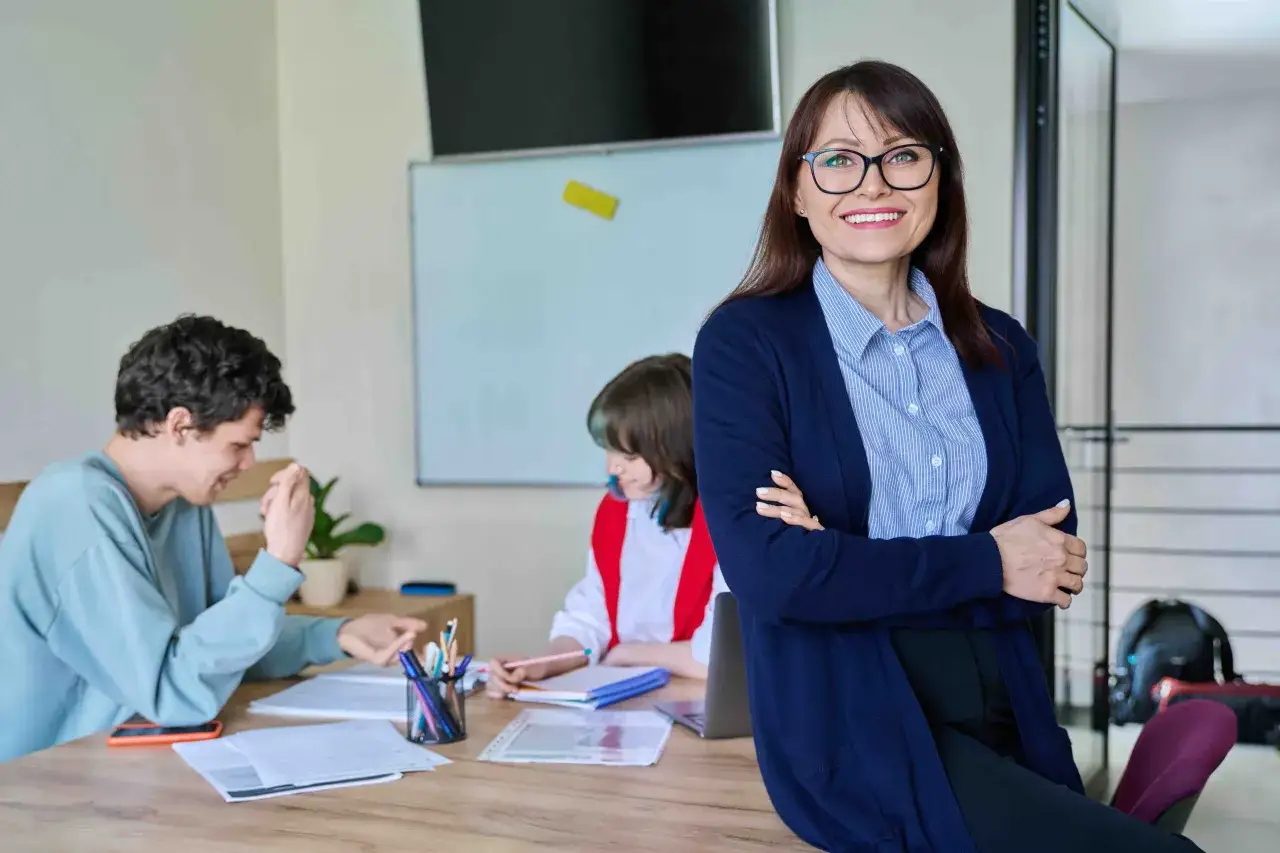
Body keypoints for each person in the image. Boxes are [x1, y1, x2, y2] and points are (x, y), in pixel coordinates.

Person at [691, 61, 1201, 853]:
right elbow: (773, 577)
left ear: (938, 177)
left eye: (902, 155)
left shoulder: (999, 345)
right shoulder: (748, 343)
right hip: (852, 719)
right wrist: (985, 558)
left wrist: (843, 555)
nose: (872, 183)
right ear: (796, 190)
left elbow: (1050, 567)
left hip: (1011, 699)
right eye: (837, 160)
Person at [0, 315, 425, 762]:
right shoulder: (75, 504)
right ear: (180, 426)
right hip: (42, 789)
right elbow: (175, 692)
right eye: (239, 445)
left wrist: (337, 633)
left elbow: (217, 646)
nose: (248, 464)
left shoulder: (183, 505)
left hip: (130, 771)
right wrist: (279, 561)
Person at [486, 354, 726, 696]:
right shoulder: (617, 512)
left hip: (693, 700)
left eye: (629, 457)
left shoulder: (724, 522)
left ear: (679, 450)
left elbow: (718, 655)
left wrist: (629, 654)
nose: (614, 469)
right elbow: (590, 620)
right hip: (624, 695)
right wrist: (542, 663)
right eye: (609, 451)